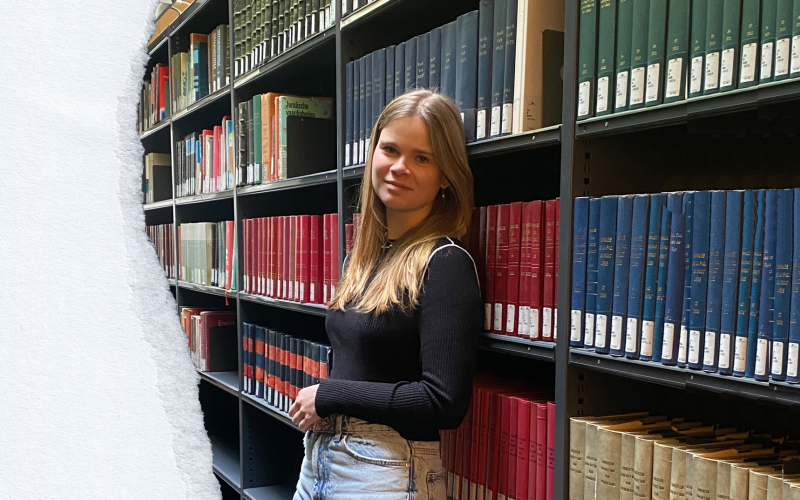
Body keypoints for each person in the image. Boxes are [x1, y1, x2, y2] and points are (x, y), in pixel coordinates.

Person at [289, 88, 482, 499]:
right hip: (321, 459)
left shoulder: (445, 263)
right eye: (390, 149)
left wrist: (330, 394)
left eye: (422, 158)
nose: (399, 167)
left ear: (446, 175)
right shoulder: (359, 261)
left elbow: (444, 401)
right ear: (373, 152)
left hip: (389, 471)